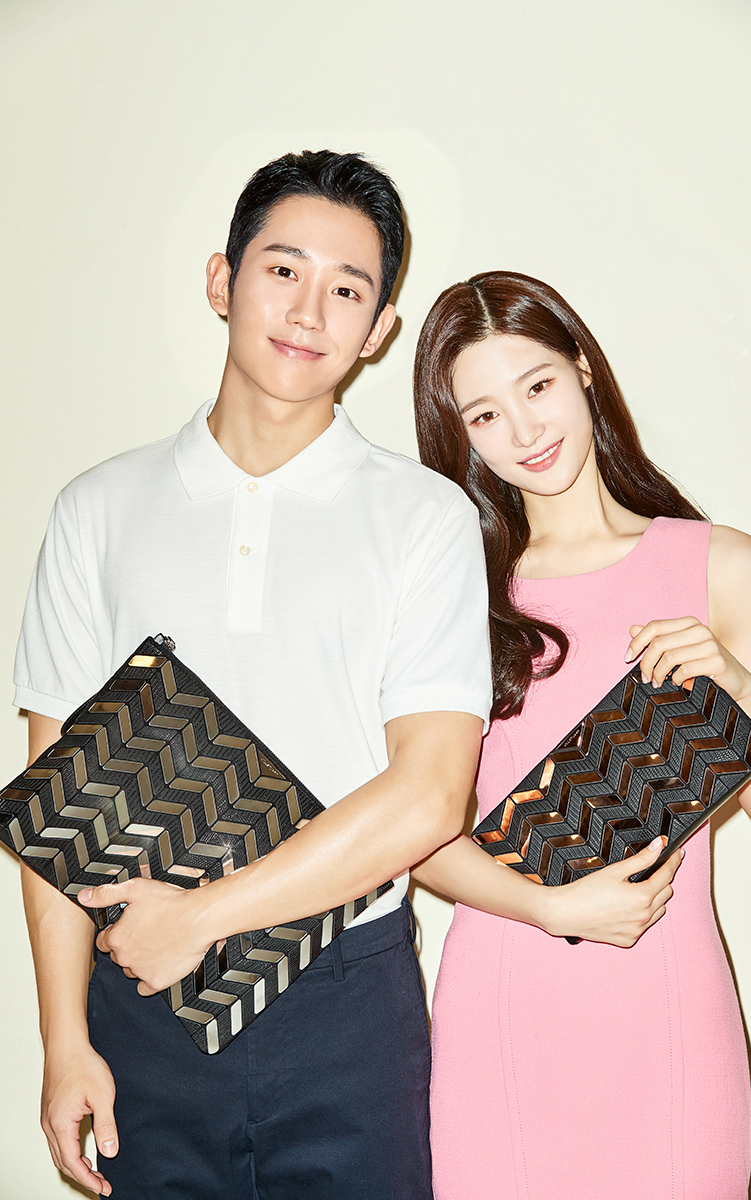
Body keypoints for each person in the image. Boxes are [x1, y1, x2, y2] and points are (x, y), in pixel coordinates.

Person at [13, 150, 497, 1200]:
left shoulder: (423, 518)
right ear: (220, 280)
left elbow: (430, 794)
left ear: (378, 330)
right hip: (140, 994)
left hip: (345, 1001)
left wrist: (206, 914)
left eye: (347, 290)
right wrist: (62, 1039)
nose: (308, 311)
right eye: (283, 270)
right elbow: (54, 802)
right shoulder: (97, 509)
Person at [411, 271, 751, 1200]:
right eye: (485, 415)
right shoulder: (448, 588)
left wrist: (738, 684)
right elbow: (411, 833)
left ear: (583, 369)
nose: (525, 431)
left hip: (668, 1009)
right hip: (504, 1009)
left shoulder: (723, 563)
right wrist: (550, 908)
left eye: (538, 386)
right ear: (460, 435)